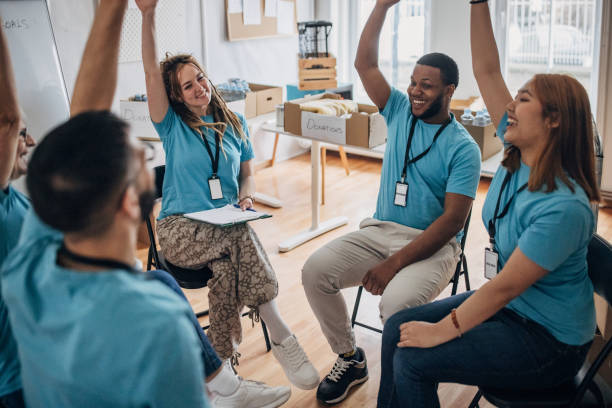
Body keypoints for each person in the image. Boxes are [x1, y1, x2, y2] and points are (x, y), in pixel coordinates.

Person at [1, 1, 290, 407]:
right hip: (26, 389)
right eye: (137, 154)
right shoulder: (155, 320)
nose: (145, 153)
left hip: (24, 383)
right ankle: (243, 364)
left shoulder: (28, 259)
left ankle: (226, 380)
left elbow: (70, 119)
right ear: (128, 206)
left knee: (164, 279)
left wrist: (114, 9)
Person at [377, 1, 601, 407]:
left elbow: (505, 286)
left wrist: (443, 329)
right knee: (397, 327)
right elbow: (486, 70)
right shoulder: (520, 154)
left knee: (412, 359)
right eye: (513, 98)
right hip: (516, 309)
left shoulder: (565, 206)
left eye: (524, 100)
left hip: (549, 342)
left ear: (553, 120)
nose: (509, 107)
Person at [301, 0, 481, 404]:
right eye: (413, 81)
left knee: (397, 307)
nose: (415, 91)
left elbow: (452, 222)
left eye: (427, 85)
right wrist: (382, 5)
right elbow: (365, 64)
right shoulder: (399, 108)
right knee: (315, 271)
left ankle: (401, 390)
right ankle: (350, 358)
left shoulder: (463, 149)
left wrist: (393, 265)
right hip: (380, 231)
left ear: (449, 90)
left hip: (433, 246)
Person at [136, 0, 319, 391]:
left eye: (200, 78)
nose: (199, 87)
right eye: (188, 85)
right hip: (180, 230)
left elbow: (247, 175)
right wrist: (148, 14)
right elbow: (152, 70)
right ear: (177, 96)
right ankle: (284, 335)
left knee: (226, 271)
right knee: (239, 238)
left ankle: (221, 374)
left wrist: (248, 199)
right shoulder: (172, 125)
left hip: (225, 227)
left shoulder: (234, 123)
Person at [0, 15, 35, 408]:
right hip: (16, 381)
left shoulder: (18, 200)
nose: (31, 140)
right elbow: (8, 116)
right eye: (23, 133)